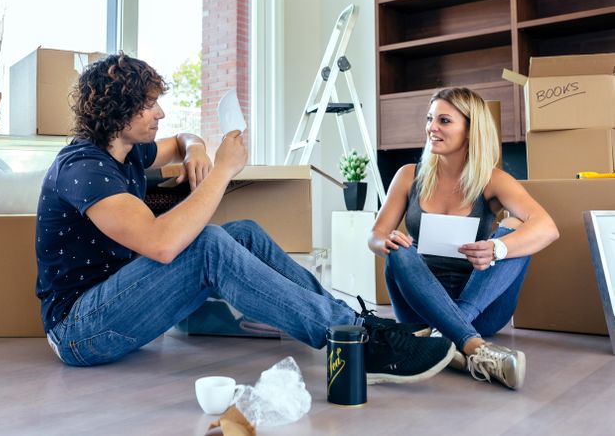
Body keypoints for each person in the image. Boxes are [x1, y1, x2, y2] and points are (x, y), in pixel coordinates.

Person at [35, 52, 456, 384]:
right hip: (80, 330)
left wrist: (196, 146)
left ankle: (351, 323)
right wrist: (221, 169)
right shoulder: (83, 168)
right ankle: (354, 344)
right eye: (148, 105)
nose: (160, 113)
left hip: (117, 305)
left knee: (244, 234)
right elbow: (162, 244)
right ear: (117, 111)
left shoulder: (125, 151)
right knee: (208, 243)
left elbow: (181, 140)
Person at [369, 87, 559, 389]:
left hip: (479, 307)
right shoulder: (408, 175)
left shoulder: (493, 180)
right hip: (420, 307)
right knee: (400, 251)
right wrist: (386, 242)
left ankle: (447, 333)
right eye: (430, 118)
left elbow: (547, 227)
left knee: (516, 228)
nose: (432, 127)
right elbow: (376, 235)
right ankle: (471, 346)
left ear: (471, 130)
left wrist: (498, 248)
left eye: (444, 120)